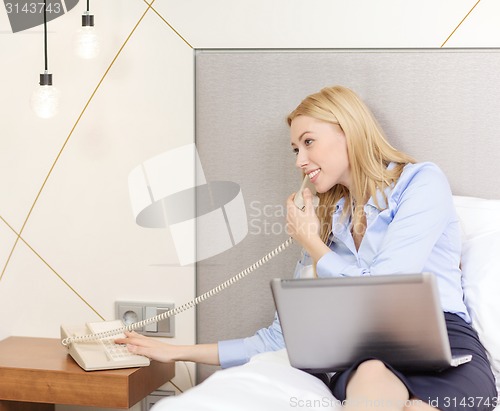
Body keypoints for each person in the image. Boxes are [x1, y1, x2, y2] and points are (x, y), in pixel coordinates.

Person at [116, 85, 498, 411]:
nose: (300, 161)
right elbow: (279, 340)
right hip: (366, 351)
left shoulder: (421, 182)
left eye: (308, 142)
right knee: (369, 374)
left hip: (444, 339)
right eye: (295, 149)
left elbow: (386, 286)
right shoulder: (327, 219)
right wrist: (178, 351)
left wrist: (313, 244)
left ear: (348, 131)